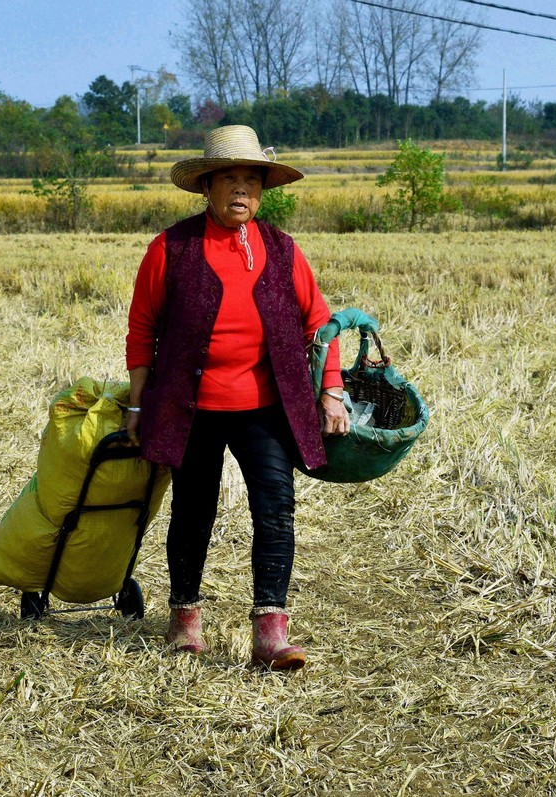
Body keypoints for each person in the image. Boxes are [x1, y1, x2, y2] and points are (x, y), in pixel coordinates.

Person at [124, 125, 350, 670]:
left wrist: (333, 390)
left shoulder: (282, 249)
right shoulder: (170, 248)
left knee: (276, 511)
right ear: (207, 188)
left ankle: (271, 634)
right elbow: (142, 327)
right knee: (193, 510)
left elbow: (320, 323)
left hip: (265, 408)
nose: (242, 190)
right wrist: (137, 403)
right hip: (190, 406)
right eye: (231, 179)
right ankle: (184, 621)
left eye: (252, 179)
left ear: (263, 189)